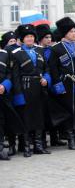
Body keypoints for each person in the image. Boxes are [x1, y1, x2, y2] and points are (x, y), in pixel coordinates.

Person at [11, 24, 52, 157]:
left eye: (31, 36)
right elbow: (15, 76)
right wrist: (18, 95)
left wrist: (46, 78)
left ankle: (39, 146)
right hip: (25, 88)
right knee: (27, 118)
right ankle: (27, 147)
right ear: (22, 39)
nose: (30, 39)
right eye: (27, 37)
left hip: (39, 88)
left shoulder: (39, 50)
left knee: (39, 117)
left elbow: (46, 68)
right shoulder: (16, 54)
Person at [49, 17, 75, 150]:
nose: (74, 34)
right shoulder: (56, 49)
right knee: (69, 112)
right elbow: (53, 69)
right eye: (72, 31)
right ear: (65, 32)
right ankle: (71, 139)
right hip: (65, 84)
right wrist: (58, 85)